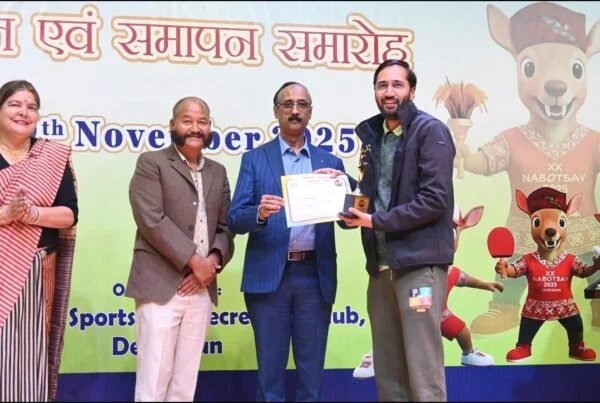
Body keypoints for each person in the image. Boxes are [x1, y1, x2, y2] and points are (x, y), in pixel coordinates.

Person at [338, 60, 455, 401]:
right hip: (381, 267)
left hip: (418, 267)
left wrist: (376, 221)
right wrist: (342, 194)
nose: (389, 92)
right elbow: (373, 193)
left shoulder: (430, 131)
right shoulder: (374, 136)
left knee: (422, 368)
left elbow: (435, 199)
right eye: (382, 85)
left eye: (397, 84)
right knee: (388, 370)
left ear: (412, 91)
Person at [228, 81, 349, 402]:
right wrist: (259, 212)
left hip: (314, 276)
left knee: (312, 376)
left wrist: (344, 190)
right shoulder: (255, 159)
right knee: (270, 375)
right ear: (276, 111)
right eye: (287, 104)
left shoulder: (330, 163)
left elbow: (351, 218)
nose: (295, 111)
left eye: (302, 104)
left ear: (310, 111)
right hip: (270, 277)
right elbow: (235, 218)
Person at [125, 96, 234, 401]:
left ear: (210, 127)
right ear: (172, 124)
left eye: (202, 122)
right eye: (187, 121)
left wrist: (211, 262)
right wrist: (194, 261)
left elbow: (226, 227)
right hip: (160, 285)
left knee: (185, 384)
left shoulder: (218, 172)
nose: (195, 128)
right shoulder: (151, 163)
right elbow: (151, 219)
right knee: (153, 381)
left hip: (201, 288)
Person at [0, 79, 78, 401]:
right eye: (15, 104)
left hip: (36, 273)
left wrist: (32, 214)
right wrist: (6, 214)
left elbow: (69, 214)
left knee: (30, 355)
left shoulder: (51, 156)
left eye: (31, 107)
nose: (24, 112)